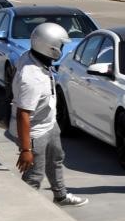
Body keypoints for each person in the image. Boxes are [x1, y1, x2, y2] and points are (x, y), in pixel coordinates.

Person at [13, 23, 87, 207]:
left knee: (56, 159)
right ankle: (27, 211)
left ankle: (60, 196)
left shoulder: (34, 58)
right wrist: (25, 150)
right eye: (61, 46)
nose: (62, 49)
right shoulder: (31, 77)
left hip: (49, 123)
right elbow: (23, 114)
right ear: (51, 48)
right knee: (34, 176)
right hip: (35, 132)